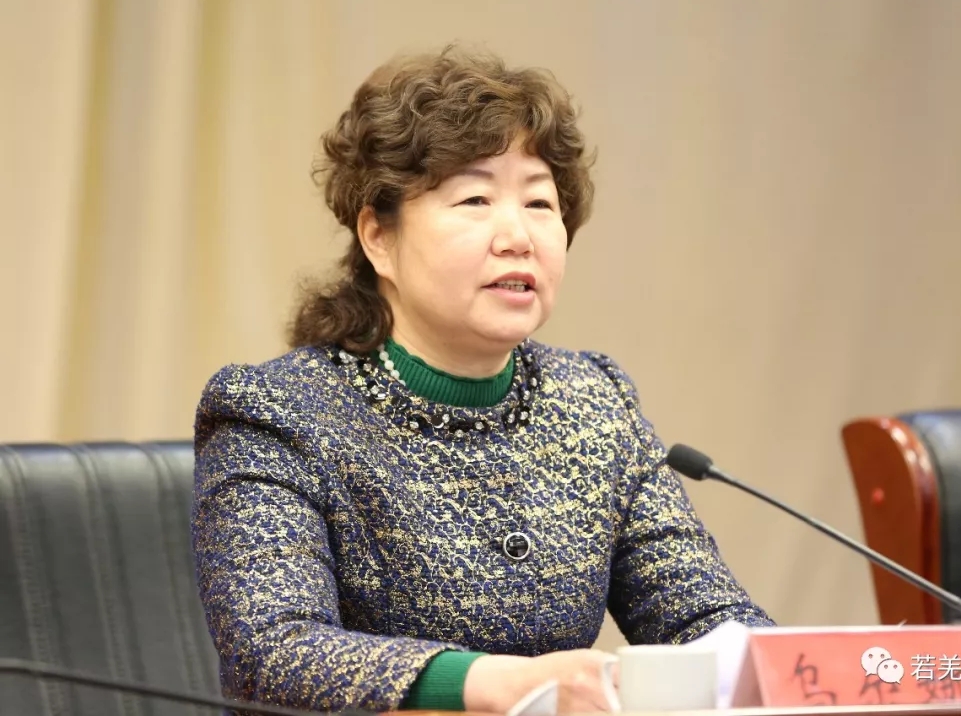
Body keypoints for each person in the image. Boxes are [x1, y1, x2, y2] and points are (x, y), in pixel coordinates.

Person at [190, 44, 774, 715]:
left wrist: (793, 669)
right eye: (474, 199)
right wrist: (498, 685)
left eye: (539, 203)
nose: (517, 236)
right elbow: (273, 653)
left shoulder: (594, 402)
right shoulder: (278, 413)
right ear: (378, 237)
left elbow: (701, 614)